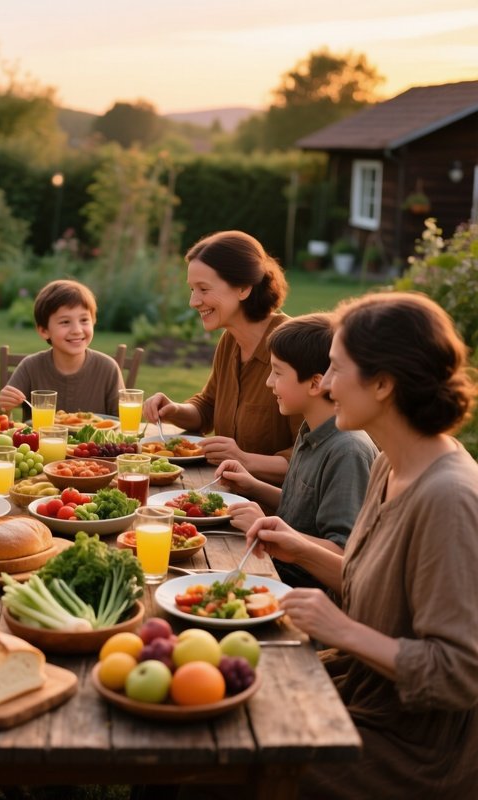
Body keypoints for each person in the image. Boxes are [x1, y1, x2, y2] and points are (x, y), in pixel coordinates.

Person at [247, 292, 478, 798]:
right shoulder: (388, 465)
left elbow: (458, 673)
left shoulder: (449, 497)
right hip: (360, 689)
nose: (325, 385)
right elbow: (370, 579)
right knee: (215, 697)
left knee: (235, 754)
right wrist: (302, 549)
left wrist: (341, 630)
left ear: (383, 383)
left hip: (412, 745)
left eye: (334, 369)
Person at [214, 313, 378, 587]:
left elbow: (344, 553)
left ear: (315, 383)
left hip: (302, 592)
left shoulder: (347, 451)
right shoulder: (310, 431)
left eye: (277, 372)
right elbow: (303, 510)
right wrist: (253, 486)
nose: (268, 382)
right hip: (275, 570)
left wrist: (269, 527)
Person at [143, 231, 301, 485]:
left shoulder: (294, 349)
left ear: (243, 288)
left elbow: (315, 457)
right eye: (192, 289)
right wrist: (173, 410)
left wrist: (244, 459)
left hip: (278, 513)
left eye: (204, 289)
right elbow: (208, 407)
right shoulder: (230, 342)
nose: (193, 301)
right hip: (224, 496)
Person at [0, 279, 124, 415]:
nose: (77, 330)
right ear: (44, 331)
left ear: (94, 322)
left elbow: (122, 424)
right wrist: (3, 406)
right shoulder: (30, 367)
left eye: (84, 320)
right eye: (65, 322)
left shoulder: (108, 368)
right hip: (40, 436)